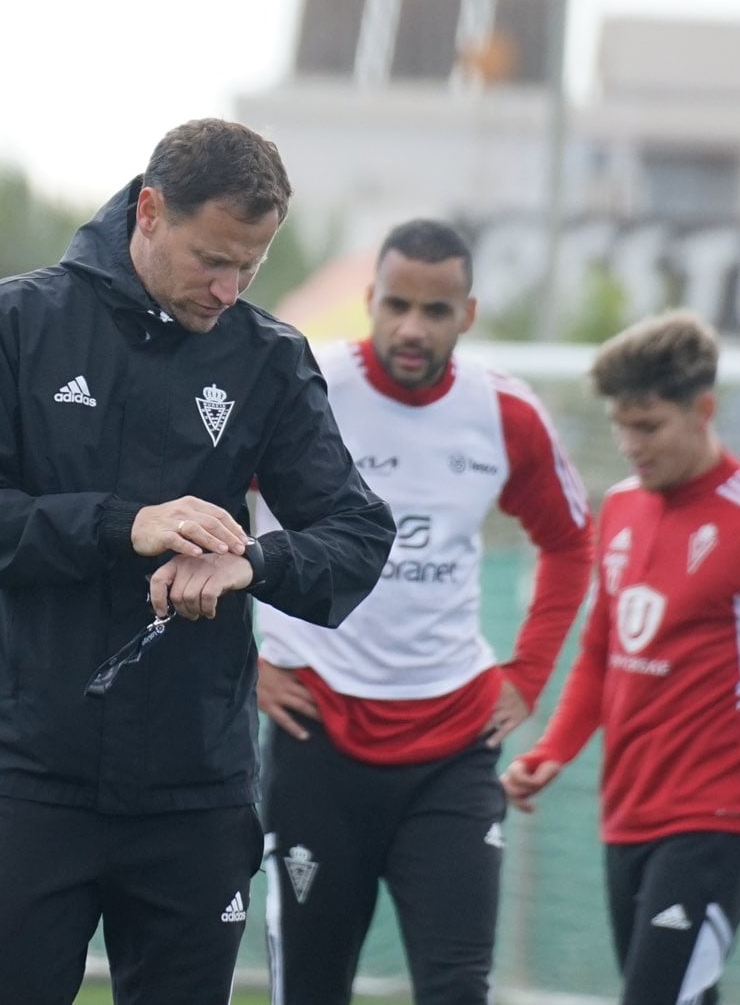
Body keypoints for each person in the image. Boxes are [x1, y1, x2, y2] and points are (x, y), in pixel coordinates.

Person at [0, 117, 397, 1005]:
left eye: (250, 265)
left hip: (196, 791)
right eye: (213, 257)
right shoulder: (16, 320)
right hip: (32, 776)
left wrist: (250, 561)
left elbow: (358, 534)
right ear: (148, 211)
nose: (228, 285)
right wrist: (119, 525)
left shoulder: (269, 358)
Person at [255, 218, 596, 1005]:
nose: (413, 328)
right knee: (308, 990)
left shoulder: (505, 412)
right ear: (370, 300)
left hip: (453, 744)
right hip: (317, 734)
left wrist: (529, 675)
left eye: (435, 311)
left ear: (467, 316)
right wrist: (249, 664)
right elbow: (199, 515)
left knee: (456, 989)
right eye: (397, 305)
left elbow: (572, 544)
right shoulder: (302, 388)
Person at [501, 310, 740, 1005]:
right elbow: (602, 653)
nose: (629, 444)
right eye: (620, 425)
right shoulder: (619, 509)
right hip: (626, 817)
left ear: (704, 409)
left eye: (647, 426)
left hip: (718, 823)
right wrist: (554, 749)